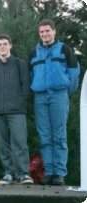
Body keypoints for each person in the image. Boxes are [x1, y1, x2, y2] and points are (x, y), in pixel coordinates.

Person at [30, 19, 80, 185]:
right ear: (39, 34)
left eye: (47, 31)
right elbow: (31, 76)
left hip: (59, 95)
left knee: (59, 135)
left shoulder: (65, 49)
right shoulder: (34, 53)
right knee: (44, 136)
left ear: (53, 32)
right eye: (42, 32)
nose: (45, 34)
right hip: (40, 97)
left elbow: (73, 74)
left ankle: (59, 173)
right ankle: (49, 172)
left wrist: (65, 92)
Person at [0, 34, 33, 185]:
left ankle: (23, 174)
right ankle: (8, 173)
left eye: (5, 43)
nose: (2, 46)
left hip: (16, 111)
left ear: (10, 45)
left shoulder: (20, 64)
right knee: (3, 145)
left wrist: (19, 103)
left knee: (20, 143)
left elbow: (26, 86)